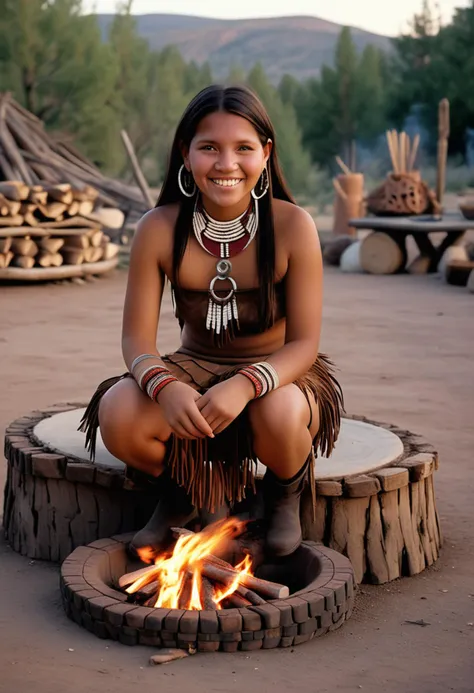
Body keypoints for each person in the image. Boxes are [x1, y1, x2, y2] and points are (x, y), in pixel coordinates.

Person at [80, 84, 343, 559]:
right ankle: (188, 492)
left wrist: (245, 384)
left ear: (265, 154)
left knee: (278, 412)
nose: (226, 164)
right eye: (209, 148)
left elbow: (304, 344)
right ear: (185, 154)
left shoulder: (292, 226)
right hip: (191, 366)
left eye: (243, 148)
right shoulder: (159, 228)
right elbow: (136, 338)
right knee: (118, 412)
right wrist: (164, 386)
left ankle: (283, 493)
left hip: (279, 371)